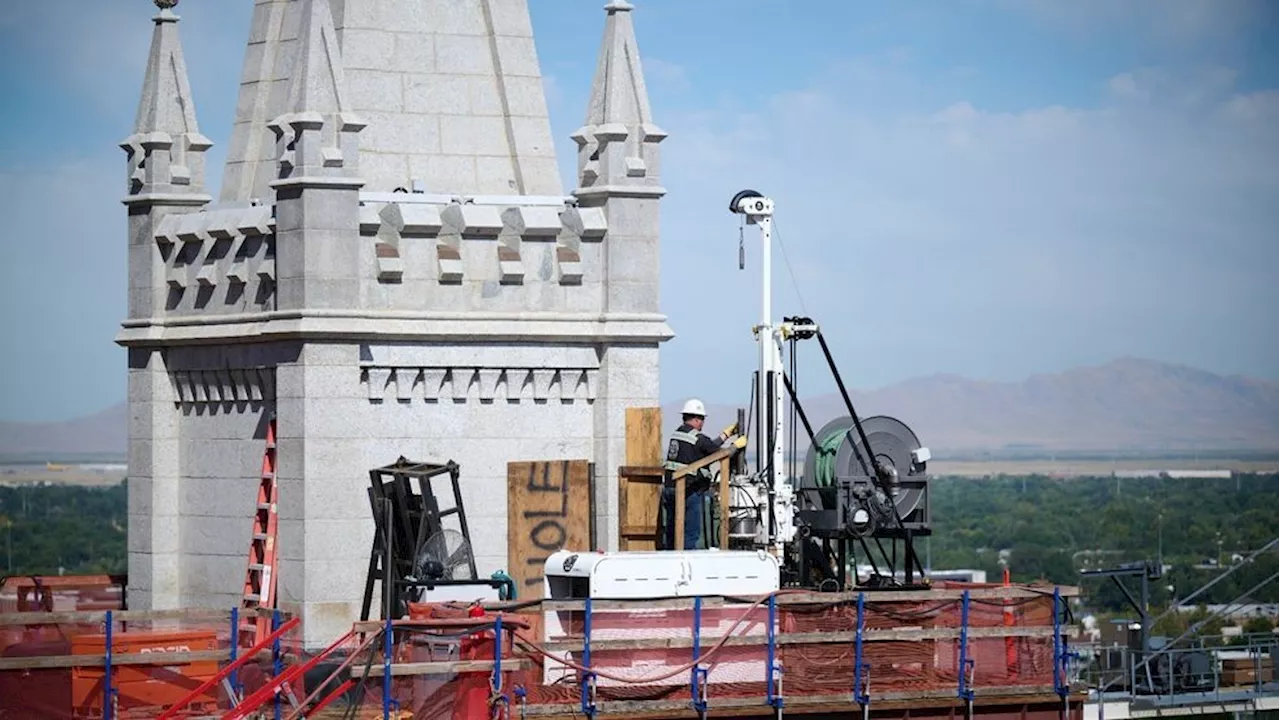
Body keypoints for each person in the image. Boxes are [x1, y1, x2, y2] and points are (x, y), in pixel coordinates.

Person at [659, 398, 739, 550]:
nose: (702, 423)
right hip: (687, 491)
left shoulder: (678, 434)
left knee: (671, 530)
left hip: (669, 488)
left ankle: (669, 559)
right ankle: (688, 563)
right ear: (696, 419)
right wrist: (735, 447)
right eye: (702, 419)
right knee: (691, 532)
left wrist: (725, 435)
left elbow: (707, 447)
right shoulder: (697, 438)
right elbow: (720, 453)